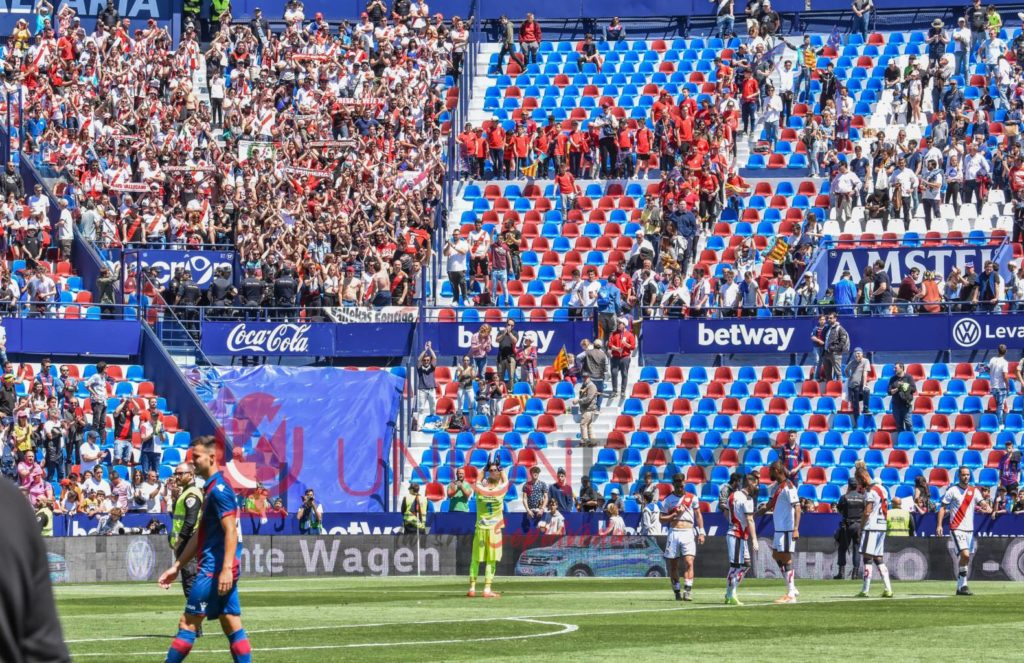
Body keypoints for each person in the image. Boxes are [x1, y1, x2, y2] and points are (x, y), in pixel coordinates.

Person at [157, 436, 251, 663]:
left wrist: (226, 569)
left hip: (213, 570)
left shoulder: (219, 491)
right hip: (219, 569)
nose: (193, 461)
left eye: (196, 457)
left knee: (187, 624)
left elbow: (231, 530)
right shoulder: (211, 489)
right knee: (231, 623)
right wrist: (177, 566)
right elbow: (201, 533)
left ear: (212, 457)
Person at [0, 477, 70, 661]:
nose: (36, 500)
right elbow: (45, 650)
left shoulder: (37, 512)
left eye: (39, 498)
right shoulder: (11, 500)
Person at [937, 466, 992, 595]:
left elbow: (982, 503)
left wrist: (987, 507)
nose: (966, 477)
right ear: (959, 476)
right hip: (957, 527)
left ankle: (960, 587)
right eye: (963, 475)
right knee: (965, 555)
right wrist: (939, 525)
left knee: (966, 558)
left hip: (969, 529)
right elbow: (943, 508)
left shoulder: (974, 491)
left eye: (968, 475)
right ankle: (964, 585)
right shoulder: (952, 490)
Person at [169, 463, 204, 638]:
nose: (177, 476)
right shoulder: (185, 493)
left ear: (190, 474)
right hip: (185, 544)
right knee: (189, 584)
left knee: (191, 584)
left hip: (188, 544)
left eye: (180, 473)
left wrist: (180, 540)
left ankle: (194, 625)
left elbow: (190, 521)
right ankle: (195, 624)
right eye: (176, 473)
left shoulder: (192, 494)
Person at [661, 472, 705, 601]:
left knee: (689, 562)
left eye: (681, 485)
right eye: (677, 485)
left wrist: (701, 532)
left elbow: (698, 515)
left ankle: (687, 590)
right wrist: (674, 514)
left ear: (684, 483)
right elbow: (661, 519)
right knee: (673, 565)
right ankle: (676, 591)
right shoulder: (668, 500)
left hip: (688, 532)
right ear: (673, 484)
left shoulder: (692, 498)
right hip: (674, 532)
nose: (680, 488)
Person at [468, 462, 508, 598]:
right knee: (491, 560)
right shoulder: (500, 492)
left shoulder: (480, 491)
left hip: (480, 528)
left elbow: (478, 480)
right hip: (494, 531)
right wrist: (500, 469)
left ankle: (472, 588)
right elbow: (506, 481)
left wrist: (485, 469)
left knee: (475, 559)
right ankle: (487, 589)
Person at [854, 461, 894, 598]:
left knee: (867, 558)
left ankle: (865, 590)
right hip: (882, 525)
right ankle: (888, 588)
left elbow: (867, 511)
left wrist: (860, 527)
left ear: (862, 478)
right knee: (878, 558)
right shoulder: (883, 489)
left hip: (871, 527)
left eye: (858, 481)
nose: (858, 484)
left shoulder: (870, 491)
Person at [765, 461, 801, 603]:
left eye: (770, 470)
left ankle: (791, 594)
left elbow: (797, 508)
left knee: (786, 558)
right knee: (776, 556)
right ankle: (792, 587)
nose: (769, 473)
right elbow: (770, 505)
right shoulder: (778, 487)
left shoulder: (789, 487)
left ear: (776, 470)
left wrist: (796, 528)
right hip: (779, 530)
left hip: (787, 529)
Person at [725, 472, 759, 605]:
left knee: (745, 565)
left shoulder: (732, 495)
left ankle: (730, 592)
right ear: (750, 484)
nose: (757, 487)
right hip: (737, 534)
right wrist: (754, 539)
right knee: (735, 566)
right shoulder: (747, 499)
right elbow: (750, 520)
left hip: (737, 533)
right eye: (755, 484)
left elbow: (726, 512)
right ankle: (730, 594)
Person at [835, 478, 864, 579]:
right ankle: (855, 574)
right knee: (856, 548)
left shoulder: (844, 497)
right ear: (857, 486)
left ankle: (841, 573)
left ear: (849, 486)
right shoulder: (862, 497)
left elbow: (839, 510)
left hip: (847, 525)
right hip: (859, 526)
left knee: (842, 548)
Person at [845, 347, 872, 423]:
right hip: (852, 386)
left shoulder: (865, 361)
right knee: (855, 406)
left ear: (862, 354)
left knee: (866, 390)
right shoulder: (852, 362)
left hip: (860, 385)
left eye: (858, 353)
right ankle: (857, 422)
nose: (857, 355)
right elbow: (846, 370)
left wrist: (864, 385)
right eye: (855, 354)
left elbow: (865, 373)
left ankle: (865, 409)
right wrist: (849, 376)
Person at [888, 362, 916, 433]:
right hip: (896, 405)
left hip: (906, 404)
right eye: (894, 368)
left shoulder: (908, 377)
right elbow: (889, 391)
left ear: (901, 368)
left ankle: (911, 438)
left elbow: (913, 389)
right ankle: (901, 439)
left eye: (896, 368)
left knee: (908, 423)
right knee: (899, 425)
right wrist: (893, 391)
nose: (894, 369)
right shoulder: (892, 379)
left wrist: (904, 385)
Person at [415, 343, 437, 424]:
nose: (426, 361)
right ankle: (420, 425)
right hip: (422, 390)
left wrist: (430, 348)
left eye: (428, 360)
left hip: (432, 389)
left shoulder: (432, 367)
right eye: (424, 360)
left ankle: (433, 423)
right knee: (421, 409)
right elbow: (418, 360)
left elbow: (434, 358)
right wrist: (425, 350)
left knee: (433, 408)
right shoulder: (419, 368)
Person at [988, 343, 1009, 427]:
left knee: (998, 406)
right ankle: (1000, 423)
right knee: (1000, 406)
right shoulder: (1005, 362)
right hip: (1001, 387)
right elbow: (1005, 376)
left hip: (993, 387)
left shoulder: (992, 359)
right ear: (1006, 352)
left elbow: (987, 369)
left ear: (998, 351)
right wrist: (1008, 386)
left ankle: (997, 422)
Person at [577, 373, 600, 447]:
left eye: (586, 377)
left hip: (588, 409)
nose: (584, 379)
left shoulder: (591, 386)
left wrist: (578, 401)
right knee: (589, 425)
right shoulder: (585, 385)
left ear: (589, 378)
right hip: (586, 408)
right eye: (583, 377)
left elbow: (588, 399)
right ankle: (593, 442)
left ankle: (584, 442)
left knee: (583, 424)